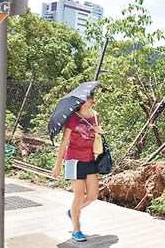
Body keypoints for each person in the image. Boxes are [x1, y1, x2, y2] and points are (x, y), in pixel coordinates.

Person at [52, 94, 103, 242]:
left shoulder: (96, 116)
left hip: (90, 158)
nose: (92, 99)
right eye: (89, 97)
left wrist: (99, 131)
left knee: (93, 195)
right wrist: (58, 165)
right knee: (79, 195)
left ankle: (73, 211)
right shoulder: (72, 118)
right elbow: (64, 143)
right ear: (82, 101)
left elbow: (96, 136)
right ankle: (76, 230)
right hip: (74, 159)